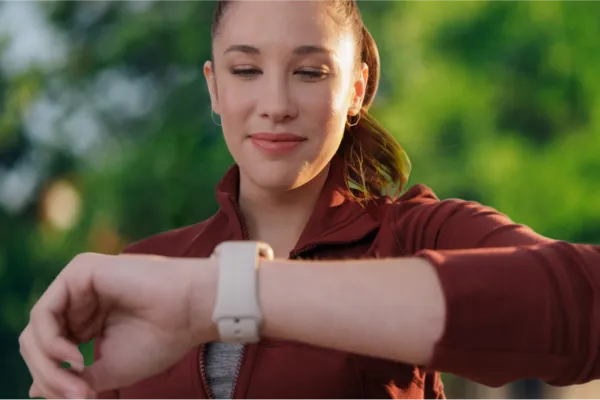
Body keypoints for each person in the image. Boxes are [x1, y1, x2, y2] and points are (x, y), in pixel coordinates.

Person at [18, 0, 600, 398]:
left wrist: (224, 296)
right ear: (213, 87)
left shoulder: (418, 235)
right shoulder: (144, 274)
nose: (275, 103)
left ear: (358, 88)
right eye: (245, 69)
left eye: (310, 72)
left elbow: (586, 308)